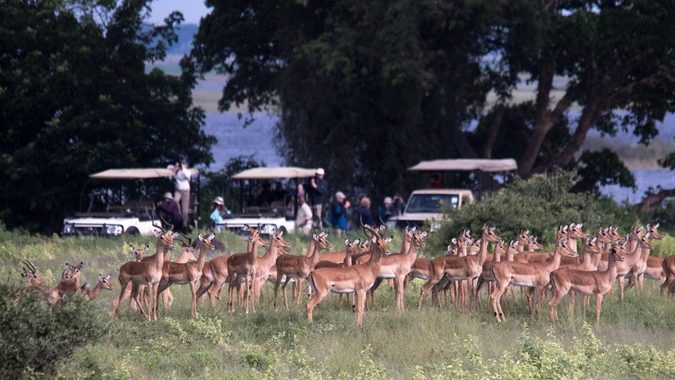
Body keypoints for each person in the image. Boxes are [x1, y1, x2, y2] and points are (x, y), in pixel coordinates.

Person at [173, 161, 192, 229]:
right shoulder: (178, 171)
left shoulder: (187, 171)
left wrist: (183, 169)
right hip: (178, 189)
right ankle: (179, 216)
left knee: (185, 208)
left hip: (185, 190)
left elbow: (188, 177)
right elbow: (172, 173)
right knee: (175, 201)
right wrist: (176, 167)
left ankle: (185, 224)